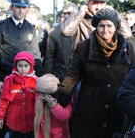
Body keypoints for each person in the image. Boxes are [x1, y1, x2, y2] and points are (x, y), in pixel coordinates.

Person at [54, 8, 135, 138]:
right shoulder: (83, 47)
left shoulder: (127, 48)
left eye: (109, 25)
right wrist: (59, 98)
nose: (105, 30)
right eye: (101, 25)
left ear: (116, 27)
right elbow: (72, 78)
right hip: (90, 111)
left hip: (117, 111)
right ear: (96, 27)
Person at [0, 0, 43, 137]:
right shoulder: (0, 27)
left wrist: (41, 79)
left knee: (24, 117)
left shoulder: (30, 28)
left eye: (24, 7)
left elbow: (36, 55)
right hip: (5, 78)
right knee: (3, 118)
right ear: (11, 7)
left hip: (26, 80)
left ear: (27, 9)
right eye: (17, 7)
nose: (20, 10)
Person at [60, 0, 132, 50]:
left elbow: (127, 35)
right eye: (95, 3)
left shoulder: (110, 20)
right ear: (88, 3)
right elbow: (65, 31)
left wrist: (115, 13)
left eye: (102, 4)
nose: (98, 7)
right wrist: (80, 13)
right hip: (84, 61)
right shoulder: (80, 19)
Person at [0, 51, 38, 138]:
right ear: (16, 66)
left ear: (31, 65)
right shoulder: (10, 80)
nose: (23, 69)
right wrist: (0, 116)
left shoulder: (36, 81)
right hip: (15, 123)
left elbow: (40, 103)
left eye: (26, 66)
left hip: (31, 123)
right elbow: (3, 100)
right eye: (20, 66)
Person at [44, 2, 78, 82]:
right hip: (59, 76)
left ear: (76, 14)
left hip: (78, 76)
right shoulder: (55, 32)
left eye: (69, 13)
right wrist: (48, 78)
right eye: (64, 13)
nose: (66, 16)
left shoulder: (82, 29)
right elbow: (49, 57)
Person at [34, 74, 72, 138]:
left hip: (57, 135)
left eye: (45, 94)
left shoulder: (63, 99)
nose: (43, 97)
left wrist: (55, 106)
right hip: (42, 133)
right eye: (41, 94)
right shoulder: (38, 98)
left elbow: (65, 116)